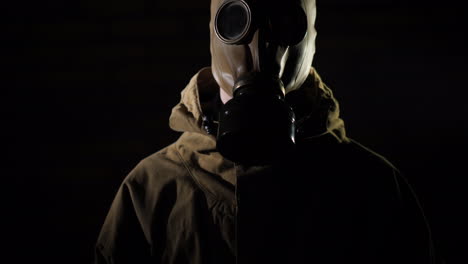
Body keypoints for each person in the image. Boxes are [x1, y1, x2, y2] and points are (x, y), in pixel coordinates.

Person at [95, 0, 435, 263]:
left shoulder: (373, 191)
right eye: (237, 21)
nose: (260, 46)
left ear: (312, 36)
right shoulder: (150, 192)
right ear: (214, 32)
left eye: (285, 21)